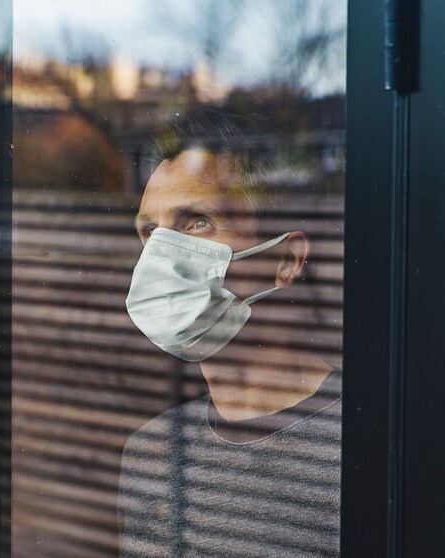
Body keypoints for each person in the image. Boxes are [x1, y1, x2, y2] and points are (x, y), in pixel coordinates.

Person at [118, 110, 342, 557]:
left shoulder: (361, 450)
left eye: (196, 222)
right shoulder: (150, 454)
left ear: (287, 260)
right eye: (149, 231)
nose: (160, 257)